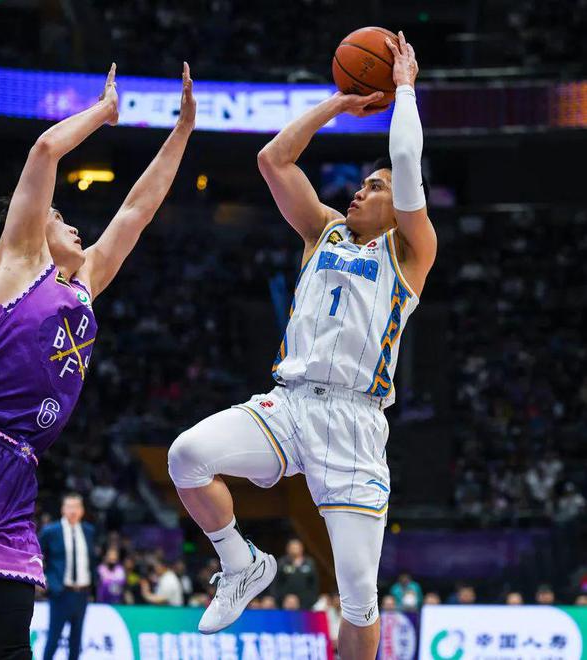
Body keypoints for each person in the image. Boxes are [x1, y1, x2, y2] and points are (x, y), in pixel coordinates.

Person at [168, 30, 435, 660]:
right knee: (186, 456)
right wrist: (340, 103)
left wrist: (403, 90)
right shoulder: (323, 231)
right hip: (289, 403)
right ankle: (240, 563)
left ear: (397, 206)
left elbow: (405, 165)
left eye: (374, 188)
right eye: (361, 185)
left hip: (355, 424)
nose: (359, 192)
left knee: (359, 599)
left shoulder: (410, 252)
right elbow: (273, 160)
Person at [0, 62, 196, 658]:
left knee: (7, 644)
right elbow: (46, 150)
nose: (72, 223)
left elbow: (137, 210)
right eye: (57, 216)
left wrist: (182, 132)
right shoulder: (18, 264)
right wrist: (103, 112)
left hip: (19, 470)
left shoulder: (85, 283)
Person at [40, 494, 96, 660]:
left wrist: (93, 585)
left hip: (82, 593)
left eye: (76, 507)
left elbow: (92, 560)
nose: (73, 511)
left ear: (82, 510)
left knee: (76, 639)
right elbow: (37, 556)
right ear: (63, 509)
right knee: (54, 637)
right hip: (61, 592)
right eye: (69, 507)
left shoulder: (89, 531)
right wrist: (46, 580)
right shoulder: (51, 531)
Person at [274, 538, 319, 609]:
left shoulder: (309, 563)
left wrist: (309, 601)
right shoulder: (282, 563)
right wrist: (282, 599)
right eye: (292, 547)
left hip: (305, 602)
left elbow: (314, 584)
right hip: (285, 601)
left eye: (297, 547)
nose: (294, 550)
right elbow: (276, 583)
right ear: (288, 549)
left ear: (302, 548)